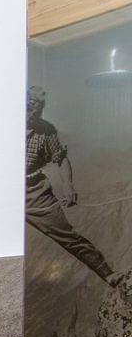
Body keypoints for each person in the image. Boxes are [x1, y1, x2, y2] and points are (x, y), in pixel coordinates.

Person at [26, 86, 123, 287]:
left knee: (68, 236)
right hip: (2, 193)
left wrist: (68, 186)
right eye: (30, 108)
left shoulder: (46, 130)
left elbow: (60, 159)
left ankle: (108, 274)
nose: (33, 114)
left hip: (35, 193)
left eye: (38, 109)